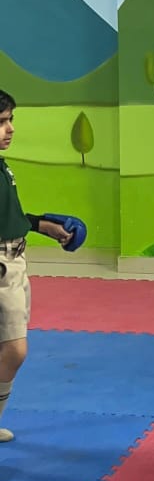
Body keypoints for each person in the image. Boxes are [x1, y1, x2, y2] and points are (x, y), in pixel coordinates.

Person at [0, 89, 76, 443]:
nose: (10, 128)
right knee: (15, 349)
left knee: (8, 347)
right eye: (2, 122)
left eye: (11, 120)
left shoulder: (2, 166)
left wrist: (42, 225)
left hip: (15, 261)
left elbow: (9, 216)